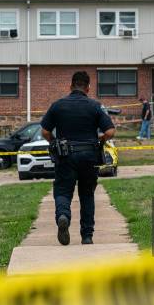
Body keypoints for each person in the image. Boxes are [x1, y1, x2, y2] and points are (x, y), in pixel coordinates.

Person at [41, 71, 116, 246]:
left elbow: (45, 131)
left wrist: (55, 142)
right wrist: (100, 139)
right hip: (89, 156)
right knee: (87, 195)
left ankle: (63, 216)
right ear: (88, 87)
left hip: (65, 156)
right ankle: (87, 236)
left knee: (62, 191)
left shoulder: (57, 106)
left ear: (70, 86)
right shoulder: (95, 106)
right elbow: (110, 131)